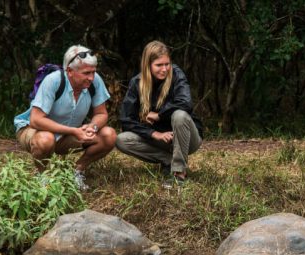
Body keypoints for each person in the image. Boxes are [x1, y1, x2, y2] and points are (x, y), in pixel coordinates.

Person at [13, 45, 117, 191]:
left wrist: (92, 127)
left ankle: (76, 171)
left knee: (109, 135)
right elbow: (36, 120)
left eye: (93, 72)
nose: (91, 78)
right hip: (33, 130)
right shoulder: (53, 81)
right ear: (69, 71)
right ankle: (42, 176)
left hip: (68, 134)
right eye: (86, 73)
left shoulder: (94, 81)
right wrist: (74, 131)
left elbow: (101, 113)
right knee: (45, 139)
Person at [116, 40, 203, 188]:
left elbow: (186, 103)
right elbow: (126, 120)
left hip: (187, 139)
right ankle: (169, 160)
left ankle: (178, 172)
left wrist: (159, 115)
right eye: (159, 65)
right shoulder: (136, 83)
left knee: (180, 115)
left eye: (167, 64)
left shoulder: (176, 74)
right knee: (121, 140)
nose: (164, 69)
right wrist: (153, 134)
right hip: (160, 139)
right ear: (147, 65)